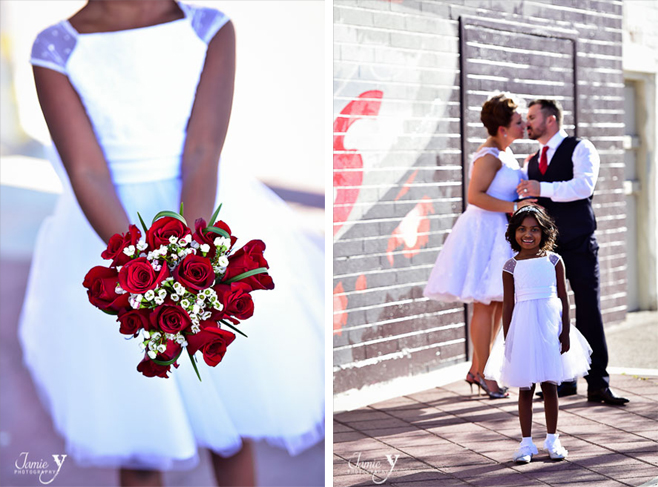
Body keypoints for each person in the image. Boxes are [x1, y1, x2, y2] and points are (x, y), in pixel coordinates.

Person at [21, 2, 324, 486]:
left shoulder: (207, 27)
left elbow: (203, 150)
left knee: (228, 419)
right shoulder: (56, 47)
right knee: (142, 428)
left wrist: (190, 261)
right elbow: (87, 172)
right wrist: (139, 266)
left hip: (203, 217)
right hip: (109, 236)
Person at [517, 99, 629, 405]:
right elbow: (536, 202)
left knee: (588, 309)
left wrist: (541, 188)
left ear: (550, 120)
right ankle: (562, 381)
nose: (527, 123)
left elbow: (583, 187)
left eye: (532, 117)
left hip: (579, 243)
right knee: (551, 312)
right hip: (546, 249)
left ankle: (598, 384)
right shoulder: (532, 160)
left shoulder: (581, 148)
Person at [423, 93, 536, 399]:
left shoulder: (505, 152)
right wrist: (514, 206)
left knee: (498, 301)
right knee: (485, 303)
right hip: (484, 232)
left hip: (499, 229)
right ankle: (482, 372)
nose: (524, 124)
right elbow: (475, 196)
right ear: (502, 128)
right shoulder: (489, 155)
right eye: (518, 121)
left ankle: (481, 369)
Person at [484, 206, 592, 463]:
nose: (528, 234)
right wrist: (508, 339)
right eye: (522, 229)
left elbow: (564, 298)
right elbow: (509, 305)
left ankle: (553, 439)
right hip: (523, 329)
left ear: (544, 232)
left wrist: (565, 332)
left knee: (550, 384)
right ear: (514, 233)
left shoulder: (554, 260)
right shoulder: (510, 266)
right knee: (525, 387)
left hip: (549, 326)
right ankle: (526, 443)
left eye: (534, 229)